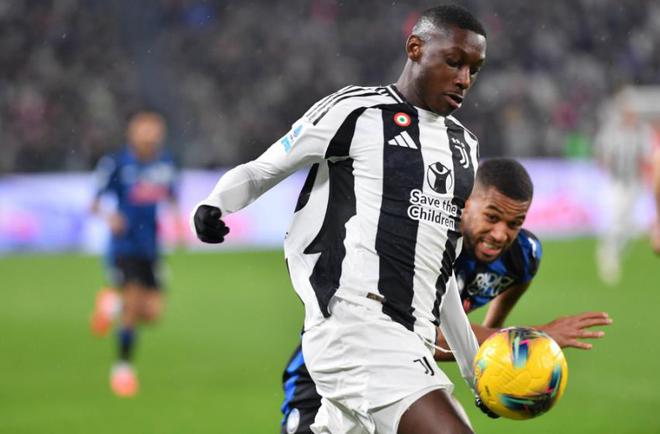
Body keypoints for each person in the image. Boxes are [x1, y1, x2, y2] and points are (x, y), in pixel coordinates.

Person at [193, 5, 487, 433]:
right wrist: (215, 204)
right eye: (454, 62)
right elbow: (264, 169)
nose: (464, 79)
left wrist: (474, 370)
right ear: (415, 48)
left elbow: (438, 276)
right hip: (356, 327)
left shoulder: (465, 148)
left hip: (413, 342)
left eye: (474, 69)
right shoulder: (356, 112)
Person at [279, 158, 612, 434]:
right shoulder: (424, 246)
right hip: (329, 371)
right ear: (464, 204)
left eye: (515, 223)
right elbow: (428, 339)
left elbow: (514, 287)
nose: (501, 234)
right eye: (492, 217)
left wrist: (494, 355)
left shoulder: (523, 255)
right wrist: (528, 342)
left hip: (397, 375)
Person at [90, 111, 179, 397]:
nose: (151, 136)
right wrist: (111, 217)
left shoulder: (165, 163)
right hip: (125, 245)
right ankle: (122, 369)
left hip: (150, 246)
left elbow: (171, 196)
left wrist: (179, 221)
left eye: (155, 131)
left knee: (152, 314)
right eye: (145, 130)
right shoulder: (117, 162)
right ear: (133, 133)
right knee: (132, 306)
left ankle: (111, 303)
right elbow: (94, 203)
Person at [594, 94, 653, 284]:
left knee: (629, 225)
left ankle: (614, 254)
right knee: (617, 219)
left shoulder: (641, 133)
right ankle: (607, 255)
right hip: (617, 182)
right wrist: (605, 165)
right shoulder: (612, 131)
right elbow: (602, 153)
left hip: (635, 183)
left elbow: (647, 158)